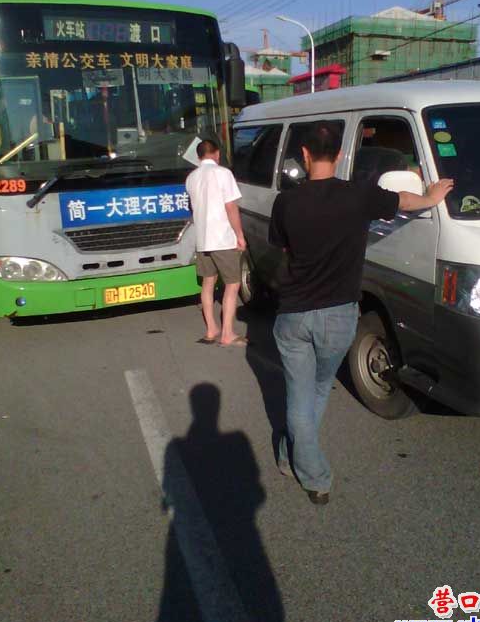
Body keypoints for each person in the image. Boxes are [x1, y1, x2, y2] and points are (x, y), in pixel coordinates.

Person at [268, 123, 453, 505]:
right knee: (316, 392)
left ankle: (290, 456)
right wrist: (432, 197)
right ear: (339, 155)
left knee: (301, 395)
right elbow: (403, 200)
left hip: (293, 317)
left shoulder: (285, 202)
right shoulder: (359, 195)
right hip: (337, 317)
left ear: (304, 155)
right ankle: (314, 476)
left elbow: (284, 251)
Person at [186, 138, 247, 347]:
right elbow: (231, 207)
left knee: (208, 283)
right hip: (222, 238)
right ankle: (228, 333)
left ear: (198, 156)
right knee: (232, 284)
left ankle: (211, 329)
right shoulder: (223, 174)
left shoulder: (191, 178)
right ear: (217, 154)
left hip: (202, 240)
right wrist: (239, 234)